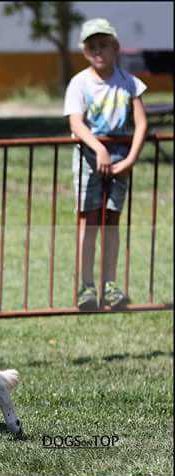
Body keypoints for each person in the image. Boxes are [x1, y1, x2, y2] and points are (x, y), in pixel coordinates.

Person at [63, 18, 147, 311]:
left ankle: (109, 284)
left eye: (104, 45)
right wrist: (98, 147)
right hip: (89, 161)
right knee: (89, 223)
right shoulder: (79, 83)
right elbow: (76, 122)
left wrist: (131, 159)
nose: (98, 51)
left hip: (121, 162)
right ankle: (86, 286)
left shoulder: (129, 83)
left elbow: (141, 123)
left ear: (115, 48)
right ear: (85, 52)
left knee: (111, 221)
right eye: (92, 47)